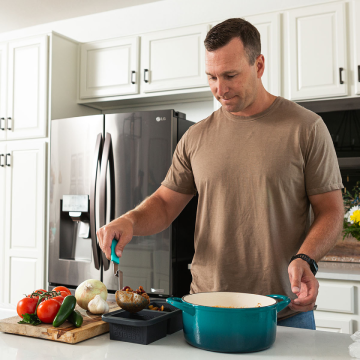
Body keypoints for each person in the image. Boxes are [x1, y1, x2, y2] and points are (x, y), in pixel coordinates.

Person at [97, 18, 344, 330]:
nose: (220, 89)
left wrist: (306, 258)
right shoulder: (196, 137)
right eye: (212, 77)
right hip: (205, 309)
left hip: (282, 313)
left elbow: (332, 211)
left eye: (230, 75)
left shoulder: (305, 128)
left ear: (259, 65)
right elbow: (164, 203)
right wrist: (130, 220)